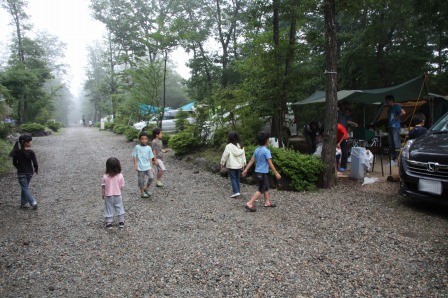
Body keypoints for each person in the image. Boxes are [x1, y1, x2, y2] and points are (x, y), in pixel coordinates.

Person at [242, 131, 281, 212]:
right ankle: (249, 203)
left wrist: (246, 169)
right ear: (266, 140)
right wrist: (276, 173)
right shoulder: (266, 151)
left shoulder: (257, 150)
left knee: (266, 186)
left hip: (258, 173)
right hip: (262, 173)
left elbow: (252, 161)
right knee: (261, 189)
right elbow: (270, 164)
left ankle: (267, 202)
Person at [10, 135, 39, 209]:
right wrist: (36, 170)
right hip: (29, 173)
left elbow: (14, 163)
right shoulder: (31, 152)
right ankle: (30, 202)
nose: (31, 142)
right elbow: (35, 163)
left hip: (21, 173)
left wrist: (19, 168)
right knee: (25, 187)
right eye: (30, 141)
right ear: (26, 143)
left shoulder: (17, 152)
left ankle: (26, 203)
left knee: (24, 187)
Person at [220, 131, 246, 198]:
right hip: (239, 165)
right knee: (237, 178)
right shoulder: (240, 145)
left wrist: (222, 163)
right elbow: (243, 156)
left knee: (233, 178)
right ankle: (238, 191)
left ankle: (236, 192)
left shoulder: (228, 146)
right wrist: (243, 164)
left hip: (232, 165)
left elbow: (225, 155)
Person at [102, 157, 125, 229]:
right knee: (119, 207)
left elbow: (103, 186)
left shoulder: (105, 176)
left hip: (108, 195)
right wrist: (120, 191)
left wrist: (103, 194)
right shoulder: (120, 175)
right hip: (118, 194)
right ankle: (121, 221)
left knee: (108, 208)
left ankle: (109, 223)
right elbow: (122, 186)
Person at [132, 132, 155, 198]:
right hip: (140, 167)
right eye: (142, 139)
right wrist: (135, 164)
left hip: (148, 166)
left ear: (147, 140)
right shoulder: (137, 147)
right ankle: (142, 193)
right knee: (141, 180)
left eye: (145, 139)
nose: (144, 140)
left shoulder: (149, 148)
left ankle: (146, 188)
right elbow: (134, 156)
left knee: (152, 177)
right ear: (139, 139)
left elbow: (150, 157)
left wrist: (151, 166)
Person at [385, 95, 405, 161]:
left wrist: (398, 116)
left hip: (395, 127)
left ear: (391, 101)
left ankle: (397, 156)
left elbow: (403, 112)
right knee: (391, 142)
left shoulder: (396, 106)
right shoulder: (390, 108)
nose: (386, 103)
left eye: (387, 101)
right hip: (390, 126)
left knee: (396, 142)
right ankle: (393, 156)